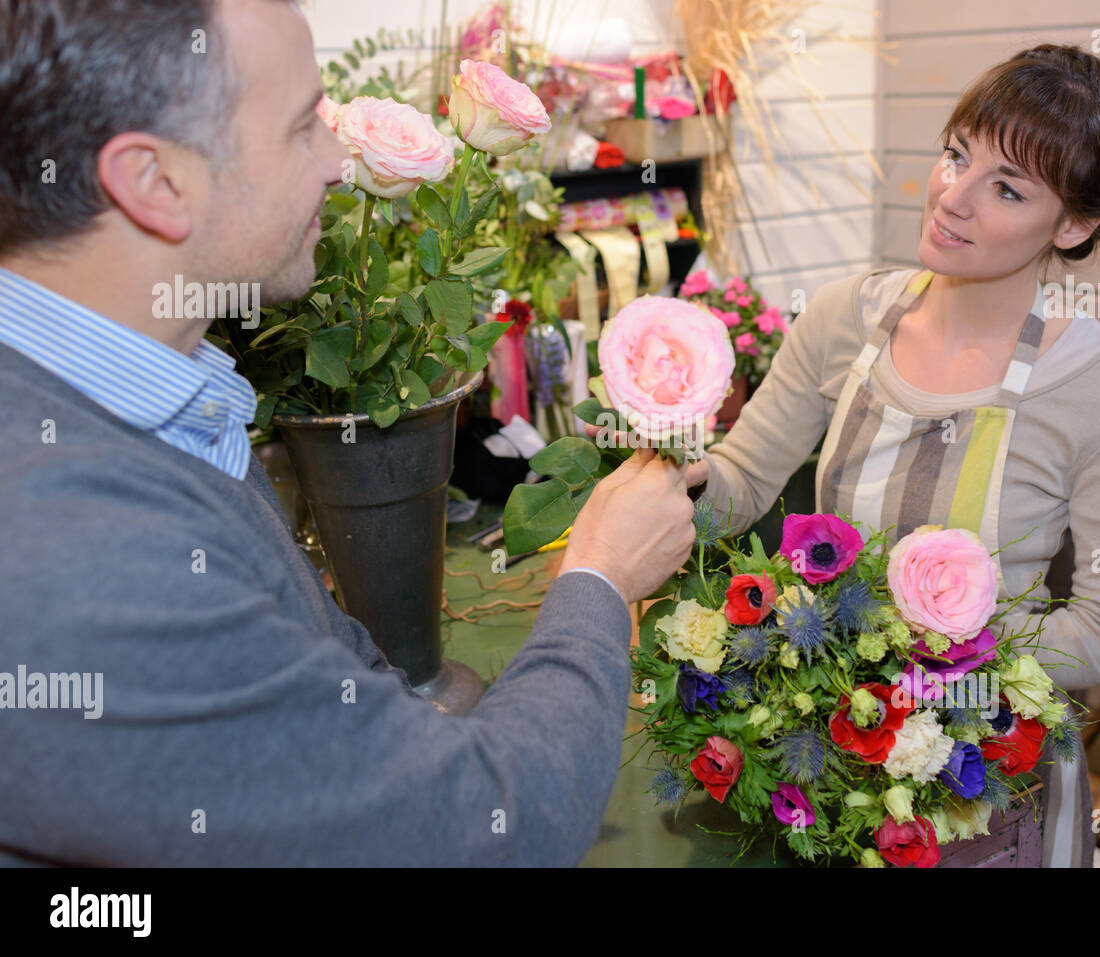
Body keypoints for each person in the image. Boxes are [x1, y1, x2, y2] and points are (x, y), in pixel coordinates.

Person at [0, 0, 697, 866]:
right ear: (156, 181)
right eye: (302, 130)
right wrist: (600, 573)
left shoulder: (156, 399)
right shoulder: (77, 551)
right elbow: (489, 828)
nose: (337, 163)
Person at [694, 45, 1100, 867]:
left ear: (1074, 224)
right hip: (823, 753)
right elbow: (737, 487)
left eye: (1007, 188)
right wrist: (669, 471)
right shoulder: (848, 318)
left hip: (979, 772)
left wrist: (941, 652)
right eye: (956, 155)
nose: (953, 196)